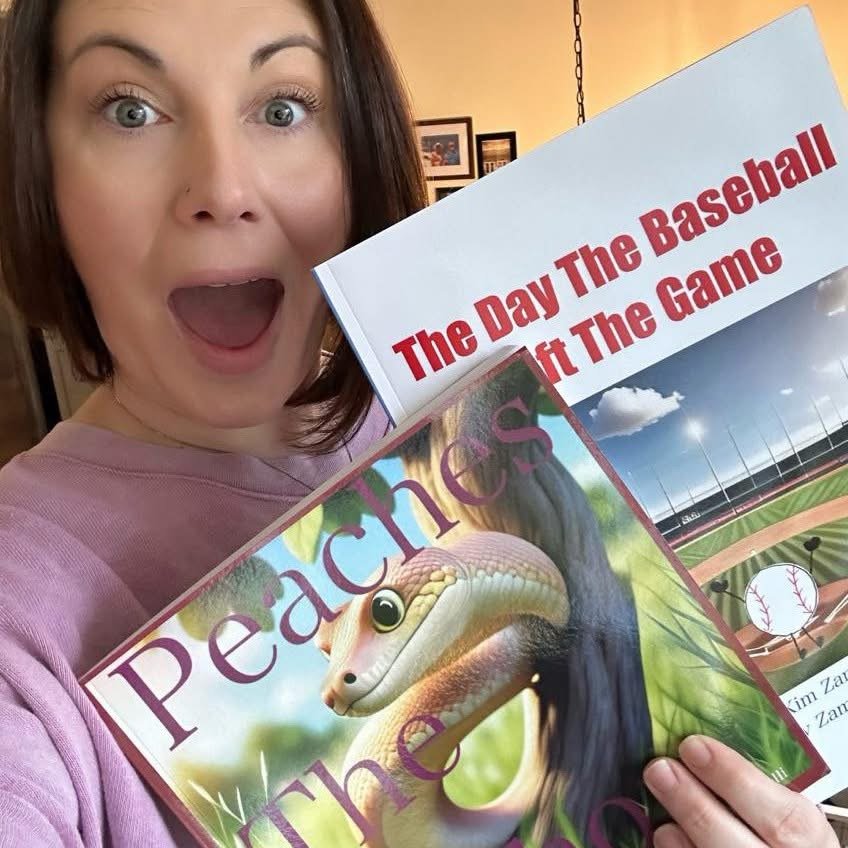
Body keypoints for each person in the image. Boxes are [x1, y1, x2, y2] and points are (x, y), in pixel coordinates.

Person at [0, 1, 839, 847]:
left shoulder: (452, 409)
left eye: (284, 108)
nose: (221, 189)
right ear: (42, 178)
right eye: (130, 109)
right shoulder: (20, 613)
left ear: (357, 155)